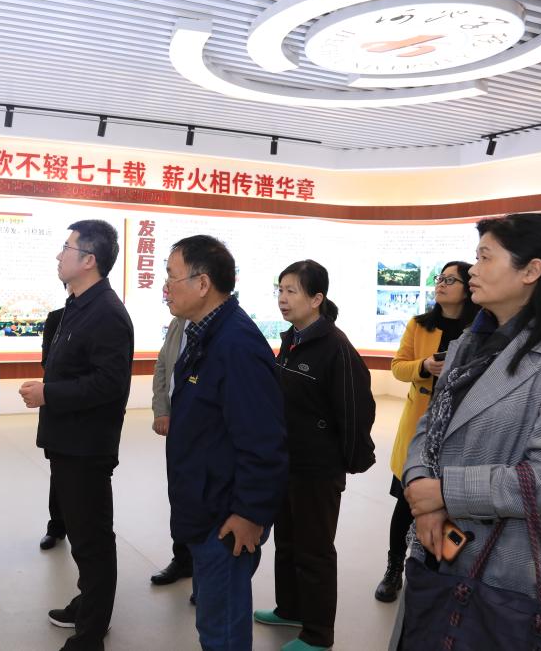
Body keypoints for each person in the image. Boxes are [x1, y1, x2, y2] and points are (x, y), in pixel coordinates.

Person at [392, 213, 541, 647]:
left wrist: (444, 493)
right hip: (442, 545)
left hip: (515, 566)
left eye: (485, 258)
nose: (473, 271)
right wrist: (423, 497)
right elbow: (429, 425)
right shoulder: (468, 342)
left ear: (531, 270)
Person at [165, 235, 287, 651]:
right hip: (206, 505)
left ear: (203, 284)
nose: (166, 287)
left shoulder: (236, 345)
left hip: (227, 518)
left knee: (223, 633)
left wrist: (250, 512)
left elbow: (263, 440)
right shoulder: (206, 335)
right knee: (213, 622)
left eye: (172, 276)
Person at [19, 220, 133, 651]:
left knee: (93, 539)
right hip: (68, 440)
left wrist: (48, 393)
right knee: (83, 538)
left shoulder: (107, 313)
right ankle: (88, 604)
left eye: (65, 247)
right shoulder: (78, 304)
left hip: (87, 445)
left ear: (89, 260)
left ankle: (91, 634)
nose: (58, 255)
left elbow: (109, 384)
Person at [254, 259, 375, 651]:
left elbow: (356, 411)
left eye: (292, 291)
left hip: (318, 469)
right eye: (280, 290)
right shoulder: (292, 340)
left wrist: (348, 461)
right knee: (288, 542)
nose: (283, 298)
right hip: (288, 462)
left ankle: (318, 634)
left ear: (316, 298)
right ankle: (290, 608)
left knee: (315, 550)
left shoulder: (335, 347)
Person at [374, 261, 478, 602]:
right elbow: (398, 367)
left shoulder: (479, 328)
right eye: (439, 278)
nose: (441, 284)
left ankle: (438, 574)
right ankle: (394, 570)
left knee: (449, 508)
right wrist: (424, 366)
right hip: (419, 430)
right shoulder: (419, 325)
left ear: (467, 289)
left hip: (458, 433)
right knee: (406, 505)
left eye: (450, 279)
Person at [148, 316, 195, 591]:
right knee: (179, 493)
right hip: (178, 425)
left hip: (205, 428)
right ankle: (183, 559)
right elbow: (162, 367)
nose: (167, 295)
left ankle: (206, 575)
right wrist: (161, 409)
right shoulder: (178, 323)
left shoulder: (223, 329)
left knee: (204, 497)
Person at [39, 288, 67, 550]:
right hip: (57, 405)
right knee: (57, 472)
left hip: (86, 410)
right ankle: (57, 526)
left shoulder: (103, 316)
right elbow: (46, 361)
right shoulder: (56, 318)